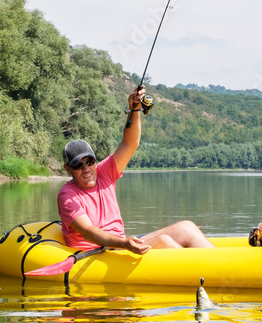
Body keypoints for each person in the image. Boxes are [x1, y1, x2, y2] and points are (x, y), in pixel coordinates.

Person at [57, 85, 214, 254]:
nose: (86, 168)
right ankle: (209, 274)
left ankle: (219, 265)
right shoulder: (68, 196)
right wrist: (124, 243)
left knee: (187, 227)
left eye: (89, 162)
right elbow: (88, 232)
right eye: (78, 165)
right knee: (164, 242)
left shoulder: (104, 173)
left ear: (95, 161)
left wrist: (135, 108)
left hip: (119, 246)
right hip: (96, 253)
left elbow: (130, 143)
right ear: (68, 169)